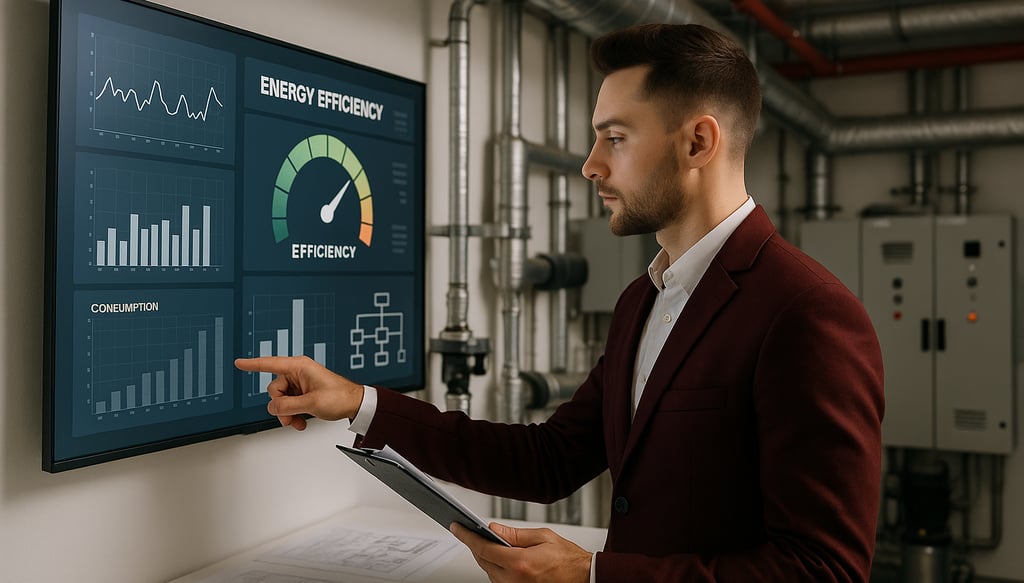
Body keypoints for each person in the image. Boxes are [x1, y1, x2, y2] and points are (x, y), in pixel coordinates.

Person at [236, 23, 884, 583]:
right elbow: (548, 460)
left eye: (616, 137)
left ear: (698, 143)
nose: (590, 165)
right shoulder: (644, 302)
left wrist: (593, 572)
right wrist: (357, 401)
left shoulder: (806, 314)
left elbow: (822, 569)